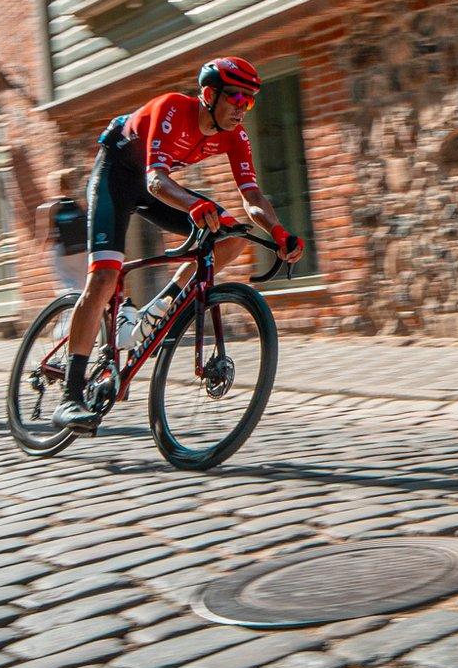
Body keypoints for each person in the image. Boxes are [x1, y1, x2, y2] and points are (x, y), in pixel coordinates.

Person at [52, 57, 305, 429]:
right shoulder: (173, 108)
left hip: (156, 187)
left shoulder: (235, 136)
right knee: (104, 278)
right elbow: (156, 181)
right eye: (236, 99)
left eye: (249, 102)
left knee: (231, 237)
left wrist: (279, 232)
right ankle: (70, 397)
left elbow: (251, 195)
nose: (242, 109)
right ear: (208, 94)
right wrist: (193, 204)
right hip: (117, 177)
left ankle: (162, 304)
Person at [37, 168, 89, 298]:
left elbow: (47, 235)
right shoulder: (79, 204)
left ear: (54, 186)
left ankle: (69, 314)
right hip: (83, 250)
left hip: (63, 252)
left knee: (66, 286)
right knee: (83, 286)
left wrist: (41, 251)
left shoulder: (51, 207)